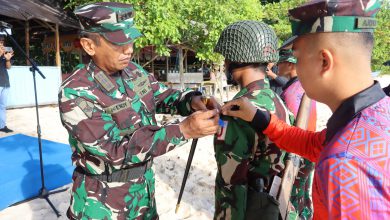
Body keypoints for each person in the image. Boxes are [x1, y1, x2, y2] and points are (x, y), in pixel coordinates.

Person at [222, 0, 389, 219]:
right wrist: (259, 118)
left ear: (323, 61)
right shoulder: (374, 115)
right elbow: (313, 144)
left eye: (298, 58)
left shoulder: (345, 164)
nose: (296, 68)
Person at [58, 2, 220, 219]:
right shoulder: (76, 92)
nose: (129, 49)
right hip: (103, 202)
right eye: (118, 43)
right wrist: (183, 131)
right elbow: (115, 151)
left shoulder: (133, 72)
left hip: (143, 195)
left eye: (131, 40)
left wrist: (192, 100)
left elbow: (161, 96)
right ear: (89, 46)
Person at [213, 20, 300, 220]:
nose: (225, 63)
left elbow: (231, 183)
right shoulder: (278, 100)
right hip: (277, 206)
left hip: (250, 210)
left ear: (234, 59)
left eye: (226, 58)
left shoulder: (237, 110)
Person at [277, 46, 317, 219]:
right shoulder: (304, 86)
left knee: (292, 200)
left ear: (290, 64)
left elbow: (294, 129)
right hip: (310, 150)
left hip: (298, 154)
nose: (277, 66)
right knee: (304, 197)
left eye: (281, 62)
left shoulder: (291, 93)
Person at [0, 34, 13, 133]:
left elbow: (8, 67)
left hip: (5, 82)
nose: (1, 43)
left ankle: (2, 125)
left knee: (3, 106)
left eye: (2, 42)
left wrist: (8, 59)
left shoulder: (4, 53)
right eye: (0, 41)